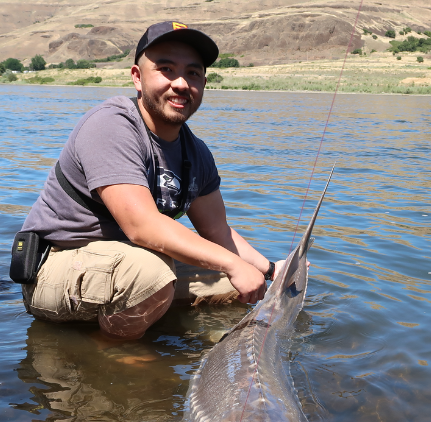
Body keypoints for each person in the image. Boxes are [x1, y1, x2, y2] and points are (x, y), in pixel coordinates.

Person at [18, 21, 278, 342]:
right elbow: (142, 227)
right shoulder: (111, 124)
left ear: (204, 83)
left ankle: (184, 335)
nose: (181, 83)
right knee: (151, 274)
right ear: (137, 78)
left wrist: (269, 271)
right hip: (58, 265)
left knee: (238, 284)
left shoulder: (195, 152)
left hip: (130, 264)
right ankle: (113, 354)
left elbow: (217, 231)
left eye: (193, 73)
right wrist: (234, 265)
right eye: (166, 69)